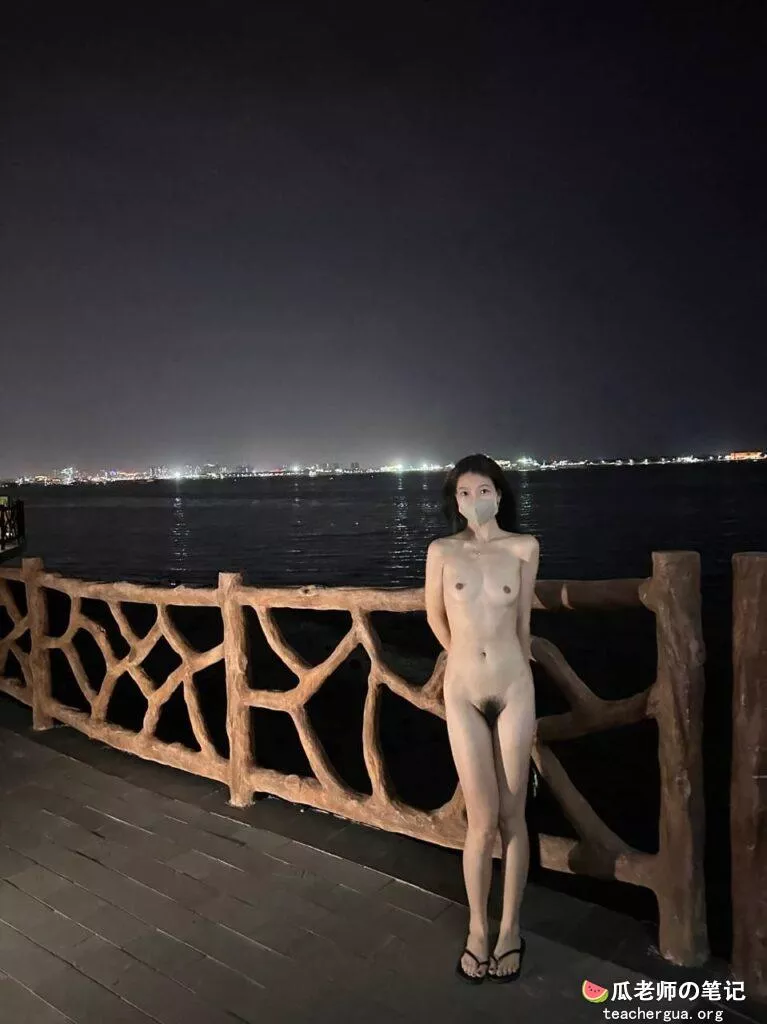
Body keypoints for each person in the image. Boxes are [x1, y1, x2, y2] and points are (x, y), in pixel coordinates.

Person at [424, 453, 539, 984]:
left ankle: (510, 928)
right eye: (464, 493)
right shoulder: (442, 551)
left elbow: (523, 622)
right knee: (482, 818)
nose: (474, 500)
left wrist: (521, 669)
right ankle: (477, 929)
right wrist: (462, 657)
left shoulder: (524, 548)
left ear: (500, 494)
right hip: (463, 690)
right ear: (455, 500)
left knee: (514, 815)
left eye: (484, 490)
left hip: (514, 686)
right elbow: (434, 614)